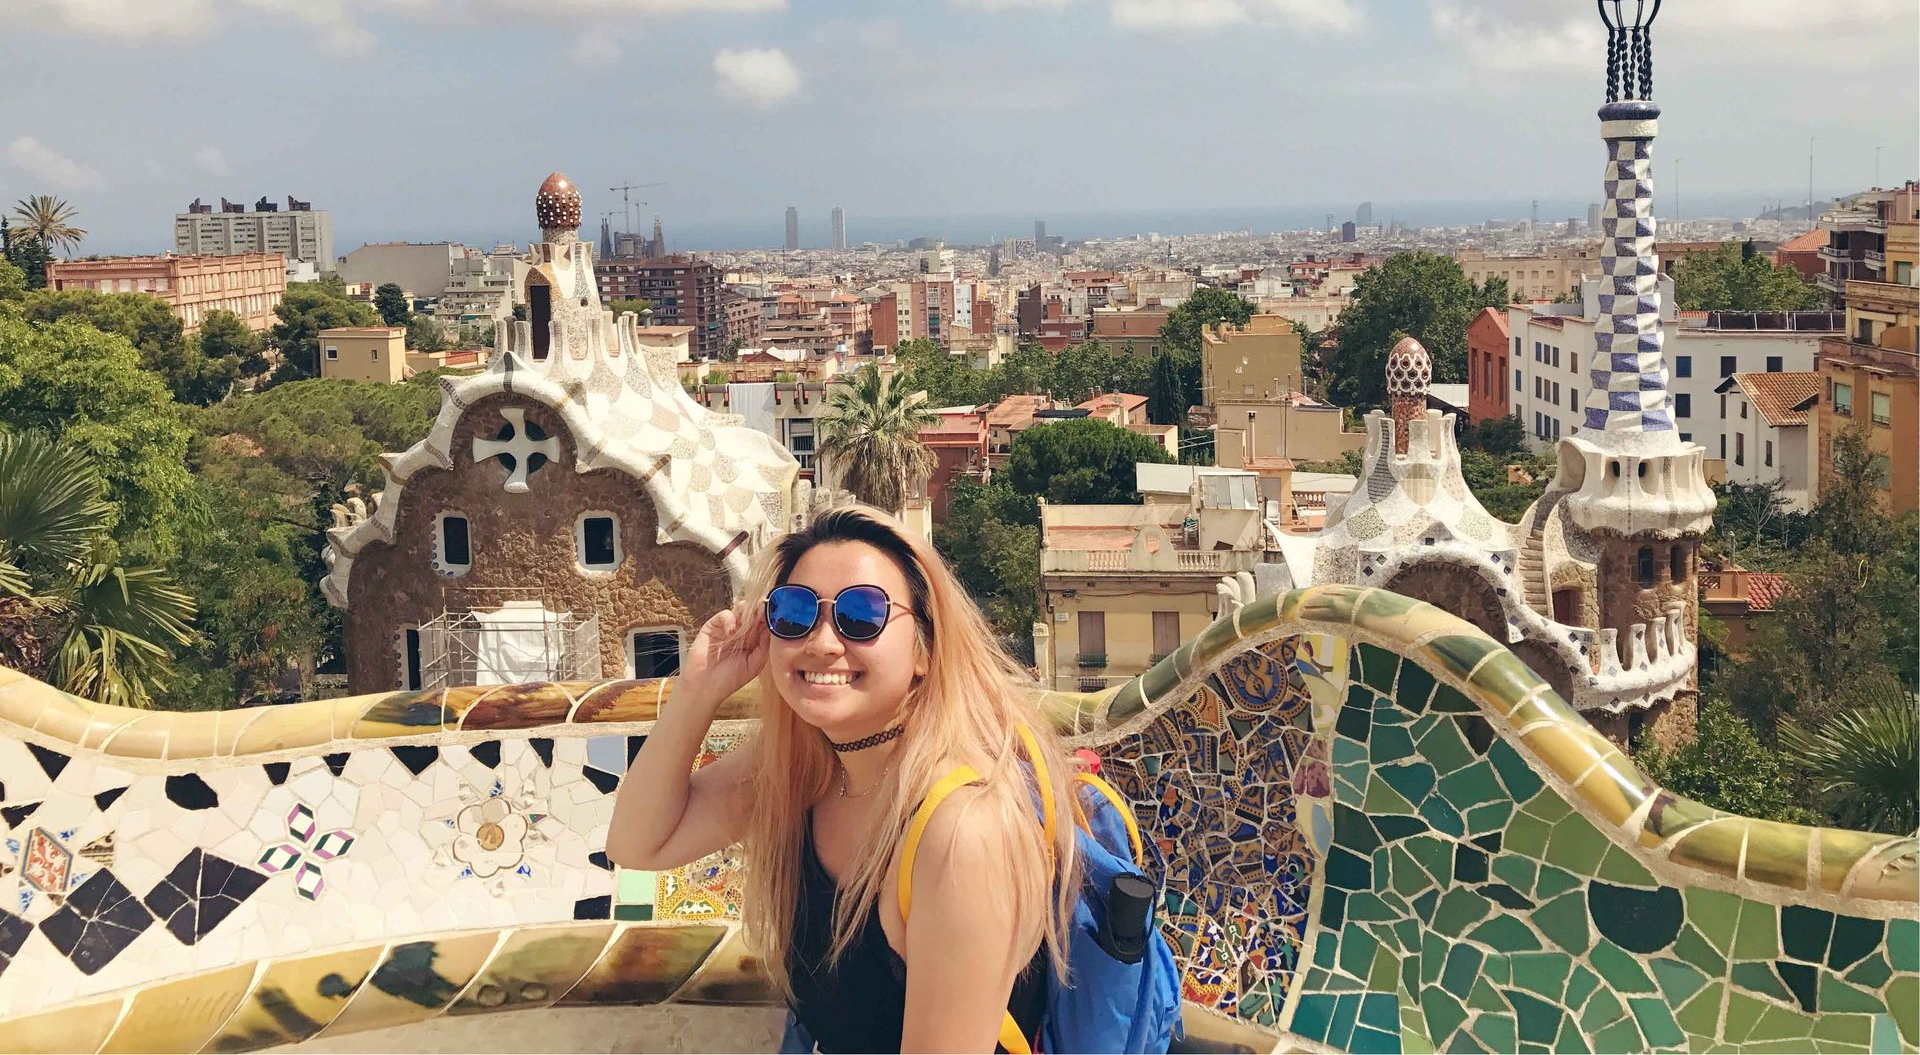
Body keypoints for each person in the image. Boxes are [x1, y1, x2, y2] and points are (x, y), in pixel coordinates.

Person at [607, 506, 1083, 1053]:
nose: (824, 642)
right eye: (794, 613)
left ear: (924, 648)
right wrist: (699, 691)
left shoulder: (960, 831)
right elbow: (637, 844)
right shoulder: (801, 768)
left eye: (862, 614)